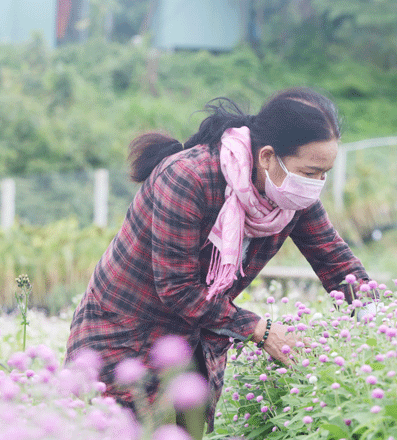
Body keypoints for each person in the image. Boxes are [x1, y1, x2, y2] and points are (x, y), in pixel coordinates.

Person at [65, 87, 377, 437]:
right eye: (309, 172)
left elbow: (336, 262)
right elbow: (178, 289)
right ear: (267, 157)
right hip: (123, 340)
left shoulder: (289, 197)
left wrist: (378, 320)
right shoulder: (189, 177)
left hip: (192, 344)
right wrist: (259, 329)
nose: (315, 184)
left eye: (324, 173)